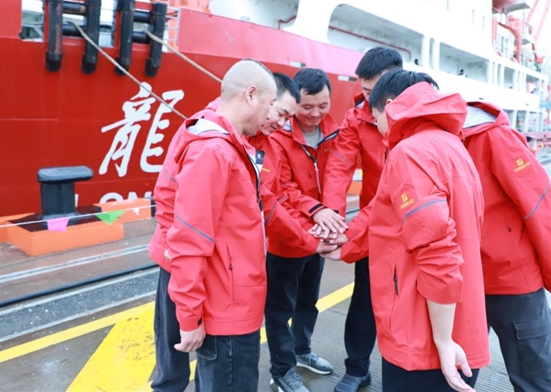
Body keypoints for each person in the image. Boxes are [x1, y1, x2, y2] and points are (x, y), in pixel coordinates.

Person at [324, 70, 490, 392]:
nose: (378, 128)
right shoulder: (453, 146)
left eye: (375, 118)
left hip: (423, 335)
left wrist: (442, 339)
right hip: (461, 323)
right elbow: (393, 219)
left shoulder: (409, 152)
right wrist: (347, 245)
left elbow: (436, 247)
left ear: (388, 107)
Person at [149, 66, 312, 392]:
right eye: (272, 106)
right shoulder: (214, 150)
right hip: (227, 298)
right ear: (250, 95)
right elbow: (190, 237)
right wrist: (189, 315)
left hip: (223, 288)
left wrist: (309, 240)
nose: (277, 120)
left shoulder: (220, 138)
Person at [322, 47, 402, 392]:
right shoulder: (357, 118)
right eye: (365, 91)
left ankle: (407, 373)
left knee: (410, 304)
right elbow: (340, 165)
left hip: (414, 224)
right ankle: (356, 369)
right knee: (364, 300)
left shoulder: (419, 117)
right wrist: (333, 218)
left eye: (375, 92)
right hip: (373, 228)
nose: (370, 100)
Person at [264, 68, 346, 392]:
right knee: (279, 309)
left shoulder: (335, 132)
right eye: (306, 106)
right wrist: (316, 209)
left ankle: (302, 350)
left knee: (308, 302)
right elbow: (281, 189)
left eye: (323, 106)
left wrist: (331, 217)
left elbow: (338, 177)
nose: (315, 114)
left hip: (319, 236)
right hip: (287, 237)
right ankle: (282, 370)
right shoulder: (277, 136)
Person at [462, 100, 551, 391]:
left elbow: (537, 205)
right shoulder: (437, 139)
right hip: (471, 278)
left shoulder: (495, 138)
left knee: (531, 374)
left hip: (507, 279)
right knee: (460, 371)